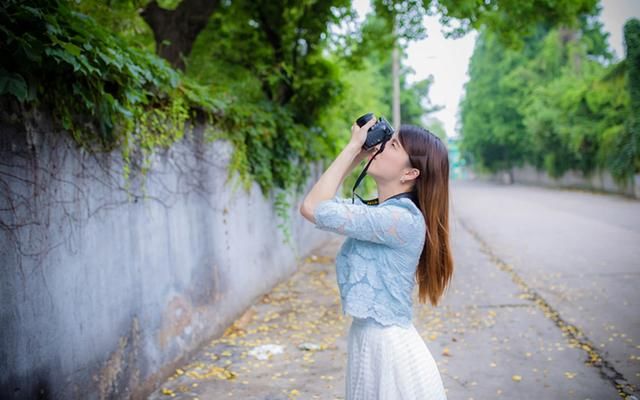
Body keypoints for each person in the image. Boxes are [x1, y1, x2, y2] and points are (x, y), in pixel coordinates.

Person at [300, 116, 453, 400]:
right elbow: (323, 204)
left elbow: (312, 207)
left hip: (387, 353)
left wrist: (351, 150)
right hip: (373, 343)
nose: (381, 147)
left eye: (393, 145)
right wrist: (357, 156)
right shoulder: (384, 214)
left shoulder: (399, 219)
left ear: (410, 174)